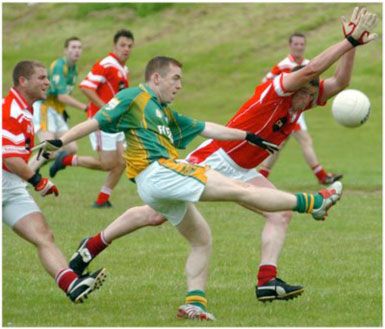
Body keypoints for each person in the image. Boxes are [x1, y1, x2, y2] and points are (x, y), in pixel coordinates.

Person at [35, 50, 347, 319]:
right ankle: (315, 202)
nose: (180, 85)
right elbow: (98, 120)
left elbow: (205, 127)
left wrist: (246, 136)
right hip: (163, 172)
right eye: (176, 79)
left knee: (202, 239)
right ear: (156, 78)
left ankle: (193, 303)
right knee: (241, 192)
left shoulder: (165, 112)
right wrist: (60, 140)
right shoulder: (133, 97)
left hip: (160, 179)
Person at [2, 60, 106, 303]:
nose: (47, 82)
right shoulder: (11, 110)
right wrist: (39, 182)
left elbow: (16, 160)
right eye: (41, 78)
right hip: (8, 178)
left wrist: (41, 154)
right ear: (23, 81)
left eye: (47, 77)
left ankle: (73, 286)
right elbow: (10, 159)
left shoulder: (26, 109)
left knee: (43, 236)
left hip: (12, 186)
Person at [48, 29, 135, 208]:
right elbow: (86, 87)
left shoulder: (123, 68)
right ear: (114, 46)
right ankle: (66, 159)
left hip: (116, 122)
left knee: (122, 162)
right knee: (108, 164)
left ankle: (102, 200)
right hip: (102, 122)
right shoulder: (106, 64)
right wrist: (106, 109)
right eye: (122, 45)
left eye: (129, 46)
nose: (126, 49)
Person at [258, 32, 343, 185]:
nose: (299, 47)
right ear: (290, 46)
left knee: (280, 144)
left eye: (302, 44)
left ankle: (261, 176)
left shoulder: (310, 65)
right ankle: (322, 176)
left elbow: (317, 86)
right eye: (296, 44)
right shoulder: (282, 66)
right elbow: (265, 83)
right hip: (286, 112)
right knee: (304, 140)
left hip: (299, 111)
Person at [29, 36, 88, 172]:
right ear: (65, 50)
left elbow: (61, 95)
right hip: (44, 108)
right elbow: (62, 96)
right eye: (73, 47)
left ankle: (34, 169)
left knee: (71, 148)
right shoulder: (59, 66)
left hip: (57, 111)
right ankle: (24, 176)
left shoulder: (73, 69)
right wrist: (85, 107)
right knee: (48, 148)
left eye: (79, 47)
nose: (77, 51)